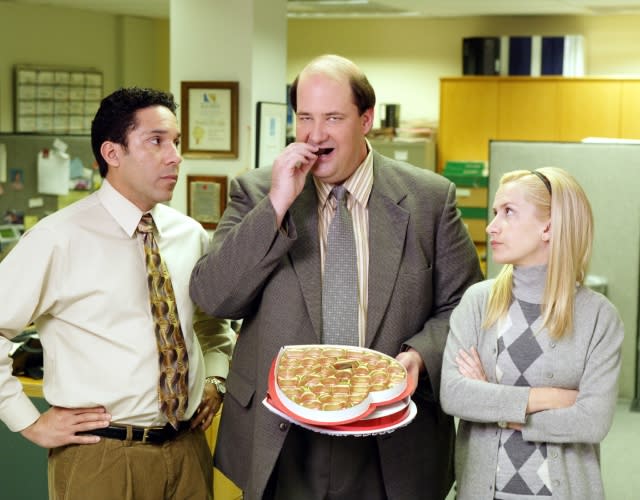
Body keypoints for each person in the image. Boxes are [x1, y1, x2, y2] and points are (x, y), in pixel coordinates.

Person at [189, 54, 483, 500]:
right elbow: (215, 297)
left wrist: (420, 357)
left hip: (390, 431)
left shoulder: (429, 199)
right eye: (304, 118)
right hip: (283, 434)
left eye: (333, 118)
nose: (315, 135)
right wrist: (276, 207)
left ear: (366, 119)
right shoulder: (258, 191)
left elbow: (464, 306)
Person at [0, 87, 236, 500]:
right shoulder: (57, 238)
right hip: (100, 457)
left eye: (176, 142)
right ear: (112, 153)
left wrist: (216, 378)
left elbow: (209, 322)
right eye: (156, 141)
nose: (175, 156)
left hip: (187, 449)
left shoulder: (189, 235)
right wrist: (26, 421)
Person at [440, 167, 624, 499]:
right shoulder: (478, 302)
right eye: (495, 212)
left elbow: (592, 421)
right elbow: (454, 394)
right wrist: (544, 399)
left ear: (549, 228)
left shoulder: (598, 316)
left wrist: (495, 406)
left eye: (508, 212)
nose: (492, 226)